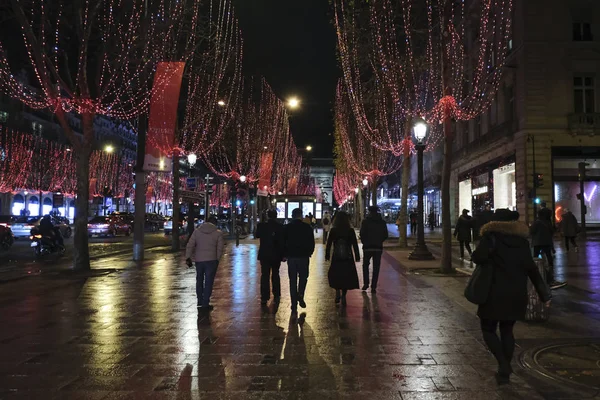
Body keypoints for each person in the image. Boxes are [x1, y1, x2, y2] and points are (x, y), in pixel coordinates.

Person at [472, 209, 551, 385]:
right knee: (507, 330)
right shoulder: (522, 242)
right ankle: (504, 370)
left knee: (488, 329)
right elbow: (532, 269)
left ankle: (503, 364)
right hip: (516, 293)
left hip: (493, 292)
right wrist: (544, 294)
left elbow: (477, 258)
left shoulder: (490, 238)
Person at [186, 215, 225, 311]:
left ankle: (200, 300)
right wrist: (217, 259)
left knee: (199, 280)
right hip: (211, 260)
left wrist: (188, 257)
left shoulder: (197, 232)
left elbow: (190, 245)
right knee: (208, 281)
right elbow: (220, 248)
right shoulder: (218, 233)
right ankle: (205, 302)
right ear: (215, 223)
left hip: (199, 260)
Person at [284, 208, 315, 315]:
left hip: (292, 257)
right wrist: (309, 252)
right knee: (303, 277)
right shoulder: (307, 227)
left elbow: (283, 242)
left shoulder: (287, 227)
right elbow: (312, 242)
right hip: (303, 256)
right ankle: (300, 294)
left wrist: (285, 254)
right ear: (301, 215)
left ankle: (293, 303)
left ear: (292, 215)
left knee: (292, 280)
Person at [326, 211, 360, 306]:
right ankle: (344, 295)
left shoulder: (334, 230)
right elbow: (355, 245)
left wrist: (327, 255)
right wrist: (357, 256)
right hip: (348, 257)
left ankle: (337, 291)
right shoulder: (350, 231)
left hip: (336, 257)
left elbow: (329, 244)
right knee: (346, 276)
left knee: (337, 274)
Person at [255, 210, 285, 305]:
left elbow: (256, 235)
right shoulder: (280, 226)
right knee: (276, 274)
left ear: (267, 216)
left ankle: (264, 296)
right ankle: (276, 294)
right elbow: (283, 241)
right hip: (276, 254)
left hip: (264, 254)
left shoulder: (262, 226)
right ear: (276, 216)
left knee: (265, 275)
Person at [531, 210, 564, 289]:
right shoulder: (548, 222)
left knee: (535, 256)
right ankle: (550, 267)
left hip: (537, 242)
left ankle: (535, 266)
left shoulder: (537, 222)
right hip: (546, 242)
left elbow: (532, 231)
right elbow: (552, 231)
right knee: (548, 255)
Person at [359, 206, 388, 293]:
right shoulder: (382, 222)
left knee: (365, 266)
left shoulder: (365, 221)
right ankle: (373, 286)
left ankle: (366, 283)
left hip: (367, 247)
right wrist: (379, 241)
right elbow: (385, 235)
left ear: (369, 212)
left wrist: (365, 242)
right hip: (378, 248)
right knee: (376, 267)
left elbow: (362, 233)